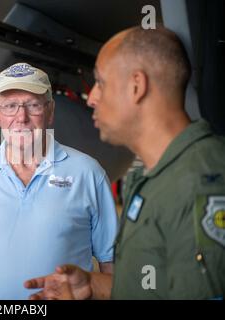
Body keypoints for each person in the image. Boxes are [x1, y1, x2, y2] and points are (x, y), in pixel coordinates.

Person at [24, 26, 225, 300]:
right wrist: (93, 286)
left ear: (136, 86)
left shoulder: (200, 183)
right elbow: (154, 286)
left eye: (101, 83)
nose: (92, 97)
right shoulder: (155, 177)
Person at [0, 62, 118, 299]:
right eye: (10, 106)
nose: (21, 117)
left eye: (33, 105)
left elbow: (111, 263)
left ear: (50, 111)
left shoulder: (88, 174)